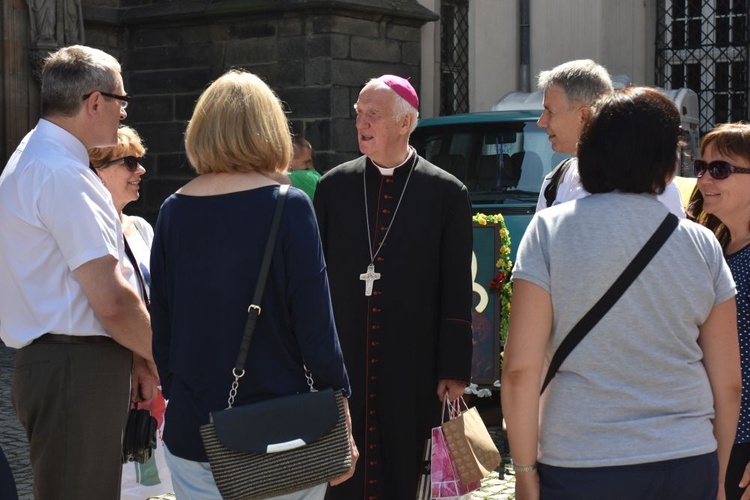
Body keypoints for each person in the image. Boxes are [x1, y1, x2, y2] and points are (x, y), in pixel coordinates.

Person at [502, 87, 741, 500]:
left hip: (582, 458)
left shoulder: (549, 232)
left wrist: (524, 473)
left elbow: (520, 370)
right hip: (685, 457)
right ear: (668, 160)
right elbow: (729, 384)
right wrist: (717, 475)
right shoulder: (701, 244)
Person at [149, 69, 357, 499]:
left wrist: (184, 396)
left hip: (196, 430)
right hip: (283, 431)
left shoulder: (172, 211)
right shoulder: (290, 207)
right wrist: (341, 417)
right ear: (269, 132)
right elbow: (317, 331)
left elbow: (163, 330)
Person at [0, 45, 157, 499]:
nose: (122, 115)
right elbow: (112, 300)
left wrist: (137, 357)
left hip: (65, 363)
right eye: (120, 102)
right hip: (74, 367)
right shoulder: (63, 172)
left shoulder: (36, 155)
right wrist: (169, 357)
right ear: (94, 102)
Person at [314, 75, 473, 499]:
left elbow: (457, 285)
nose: (361, 123)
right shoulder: (333, 187)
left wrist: (454, 369)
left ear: (405, 123)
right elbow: (314, 279)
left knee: (405, 465)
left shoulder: (446, 192)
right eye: (359, 114)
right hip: (345, 353)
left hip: (414, 361)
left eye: (373, 115)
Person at [88, 126, 174, 499]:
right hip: (113, 379)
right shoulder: (88, 232)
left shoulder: (140, 227)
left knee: (157, 482)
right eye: (130, 162)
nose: (141, 171)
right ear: (97, 170)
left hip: (154, 381)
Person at [534, 59, 685, 217]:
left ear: (584, 115)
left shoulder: (655, 187)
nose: (541, 122)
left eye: (549, 111)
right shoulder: (555, 181)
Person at [690, 122, 750, 500]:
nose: (704, 178)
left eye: (721, 169)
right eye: (701, 166)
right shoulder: (715, 247)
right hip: (708, 436)